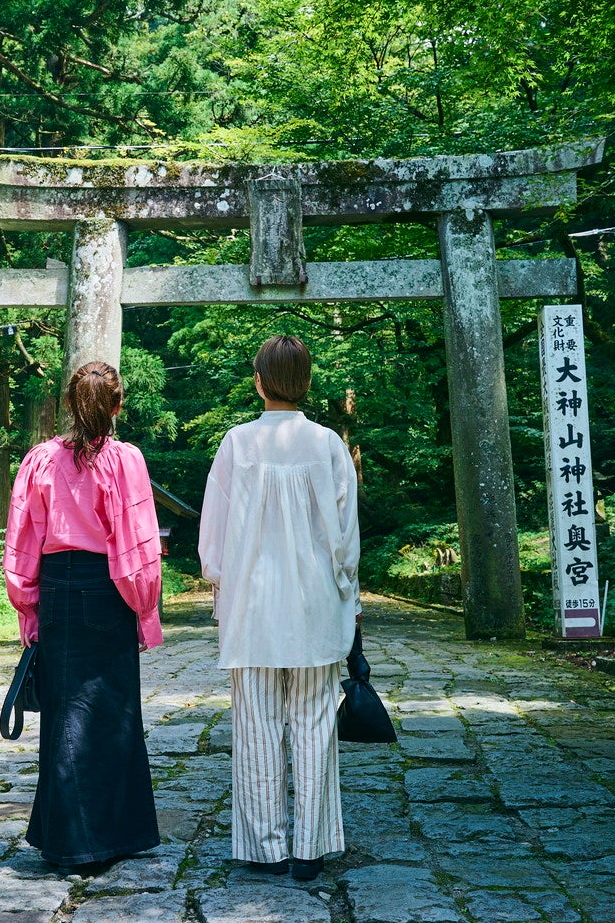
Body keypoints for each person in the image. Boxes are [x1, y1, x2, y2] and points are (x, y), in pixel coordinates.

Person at [198, 335, 361, 882]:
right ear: (307, 382)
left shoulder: (238, 444)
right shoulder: (328, 445)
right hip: (315, 606)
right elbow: (345, 538)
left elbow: (214, 536)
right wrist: (349, 594)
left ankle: (265, 847)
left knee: (257, 725)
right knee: (316, 722)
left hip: (252, 608)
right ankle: (310, 848)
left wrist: (220, 587)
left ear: (260, 380)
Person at [3, 360, 163, 873]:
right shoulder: (125, 460)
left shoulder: (41, 460)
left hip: (58, 591)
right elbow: (138, 546)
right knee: (111, 712)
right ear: (117, 406)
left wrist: (28, 607)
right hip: (109, 589)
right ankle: (108, 835)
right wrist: (144, 608)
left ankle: (66, 835)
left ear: (70, 405)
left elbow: (21, 542)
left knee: (65, 711)